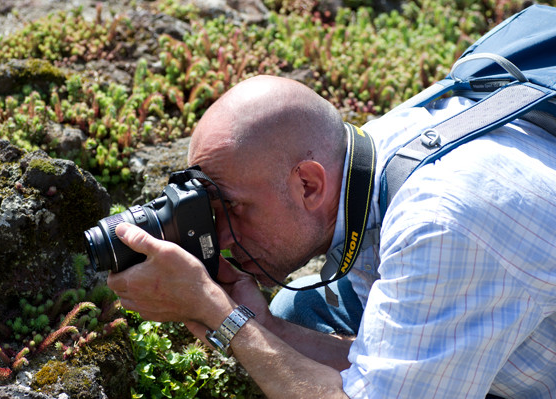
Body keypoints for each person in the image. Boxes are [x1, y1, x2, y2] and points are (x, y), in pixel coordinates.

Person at [107, 75, 556, 398]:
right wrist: (261, 326)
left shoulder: (439, 227)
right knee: (291, 316)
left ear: (308, 185)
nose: (222, 235)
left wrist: (221, 316)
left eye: (235, 208)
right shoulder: (365, 153)